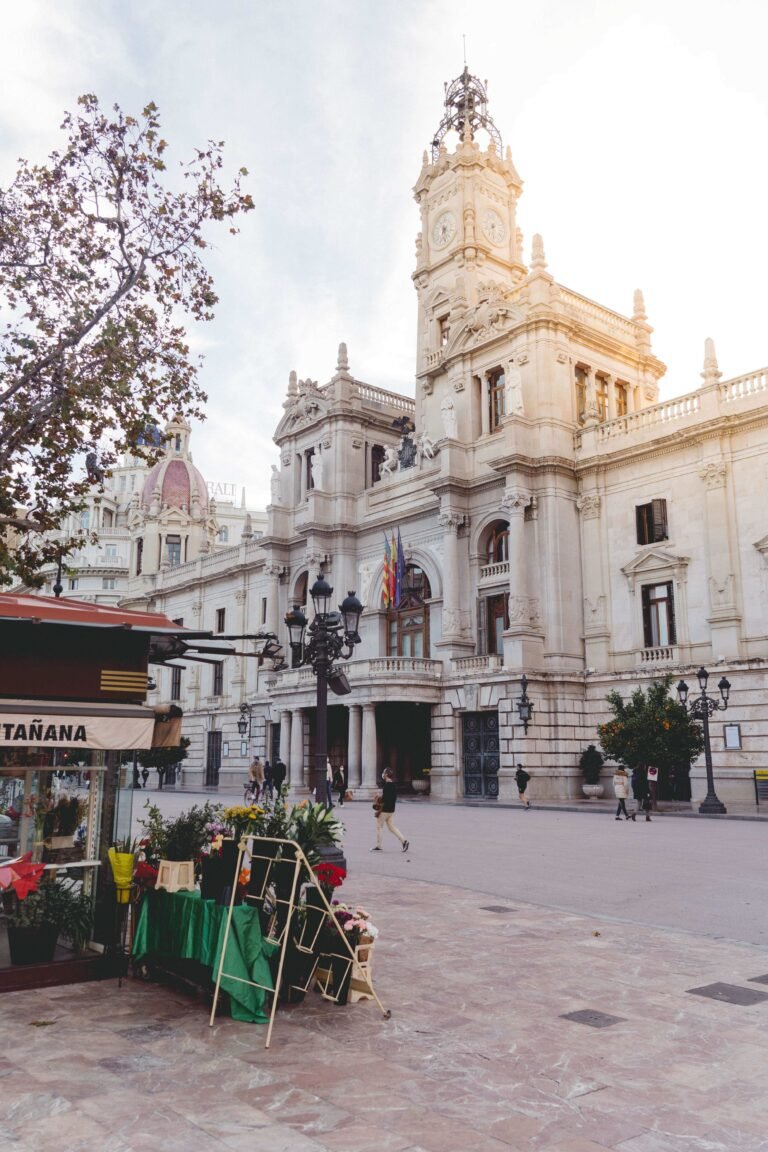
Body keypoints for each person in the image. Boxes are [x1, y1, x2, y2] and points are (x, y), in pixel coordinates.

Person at [371, 768, 409, 852]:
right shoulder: (394, 786)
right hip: (391, 810)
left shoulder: (387, 786)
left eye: (384, 773)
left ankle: (378, 846)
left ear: (386, 775)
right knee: (392, 828)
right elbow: (392, 798)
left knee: (379, 827)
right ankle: (404, 841)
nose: (383, 775)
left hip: (384, 810)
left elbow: (385, 799)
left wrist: (378, 798)